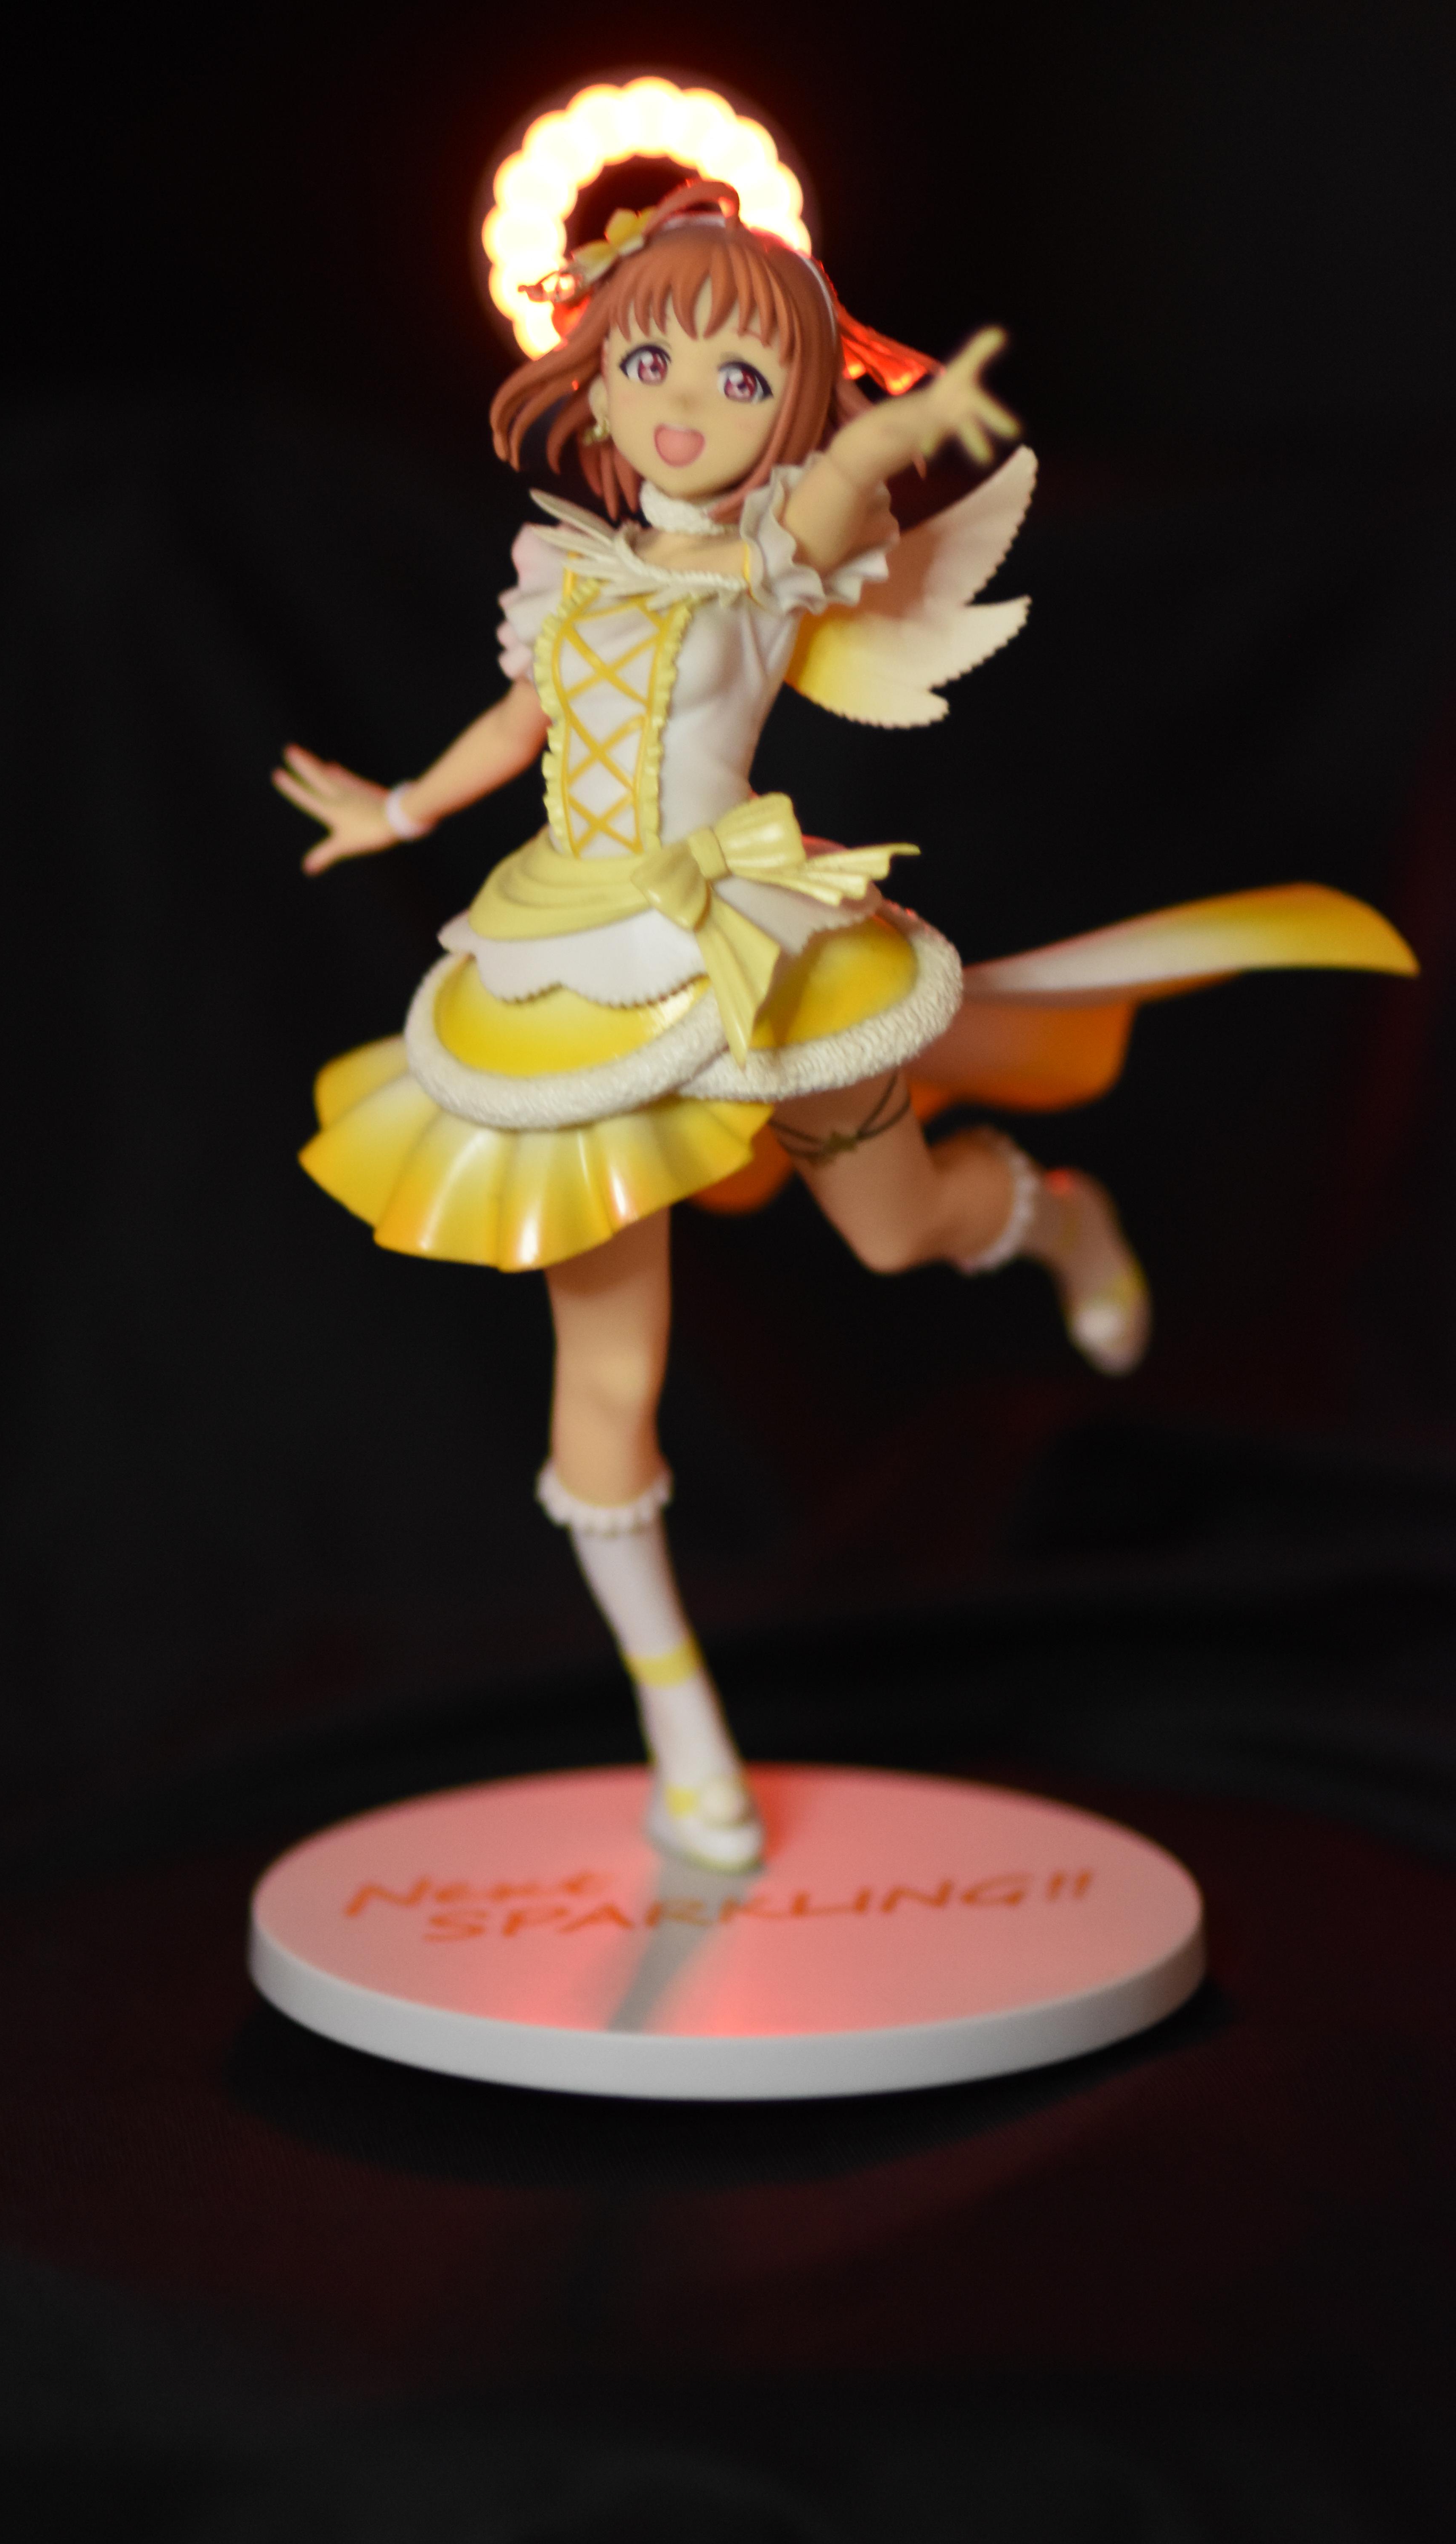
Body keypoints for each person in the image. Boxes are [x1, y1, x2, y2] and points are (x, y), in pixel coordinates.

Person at [273, 180, 1413, 1873]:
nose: (684, 405)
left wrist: (907, 427)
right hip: (568, 973)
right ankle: (683, 1730)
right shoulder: (568, 572)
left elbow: (841, 485)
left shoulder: (768, 565)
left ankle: (1052, 1218)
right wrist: (400, 808)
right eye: (652, 360)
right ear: (594, 371)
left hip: (757, 948)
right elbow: (519, 724)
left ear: (795, 412)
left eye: (741, 381)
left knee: (897, 1236)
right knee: (607, 1384)